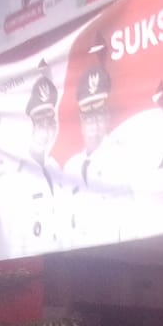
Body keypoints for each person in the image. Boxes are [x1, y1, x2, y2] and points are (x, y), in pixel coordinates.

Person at [63, 52, 133, 244]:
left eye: (99, 114)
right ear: (80, 121)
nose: (94, 122)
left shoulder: (121, 157)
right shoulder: (71, 167)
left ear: (107, 117)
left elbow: (130, 219)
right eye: (88, 116)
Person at [7, 61, 66, 255]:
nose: (46, 125)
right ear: (30, 122)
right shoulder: (15, 174)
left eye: (50, 118)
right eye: (40, 119)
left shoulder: (56, 167)